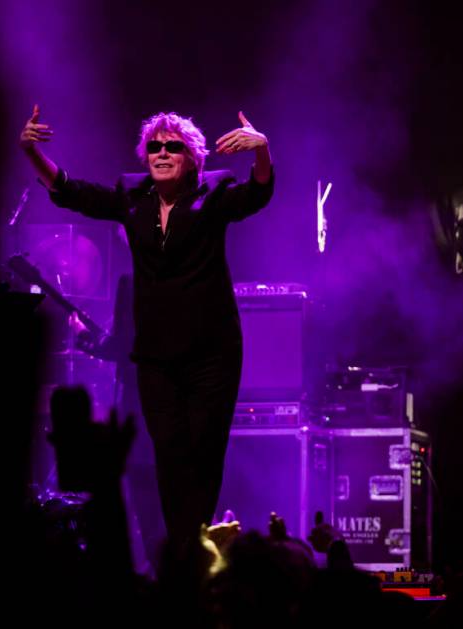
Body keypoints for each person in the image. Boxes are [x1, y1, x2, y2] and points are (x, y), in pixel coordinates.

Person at [20, 106, 274, 554]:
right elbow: (71, 191)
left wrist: (262, 151)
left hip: (211, 352)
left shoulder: (213, 193)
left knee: (203, 451)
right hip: (156, 356)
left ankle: (191, 548)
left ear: (192, 157)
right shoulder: (131, 196)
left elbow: (257, 194)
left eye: (172, 146)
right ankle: (189, 549)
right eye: (154, 146)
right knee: (170, 455)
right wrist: (32, 153)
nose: (161, 152)